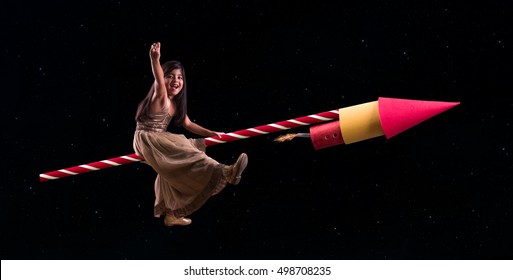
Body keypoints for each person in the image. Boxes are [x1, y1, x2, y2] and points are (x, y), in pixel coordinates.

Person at [133, 42, 248, 227]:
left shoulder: (176, 104)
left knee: (170, 168)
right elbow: (158, 80)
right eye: (170, 76)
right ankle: (225, 171)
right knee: (187, 150)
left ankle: (171, 213)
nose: (175, 81)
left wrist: (211, 133)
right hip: (147, 138)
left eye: (179, 77)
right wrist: (155, 59)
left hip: (159, 139)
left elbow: (188, 124)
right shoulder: (160, 95)